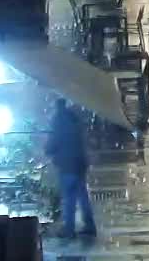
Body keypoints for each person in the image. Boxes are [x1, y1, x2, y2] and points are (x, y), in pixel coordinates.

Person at [45, 98, 96, 238]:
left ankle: (69, 229)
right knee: (82, 196)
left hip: (67, 165)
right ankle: (89, 225)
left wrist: (48, 149)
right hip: (79, 163)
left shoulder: (58, 120)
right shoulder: (74, 118)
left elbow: (53, 142)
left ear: (57, 105)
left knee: (69, 198)